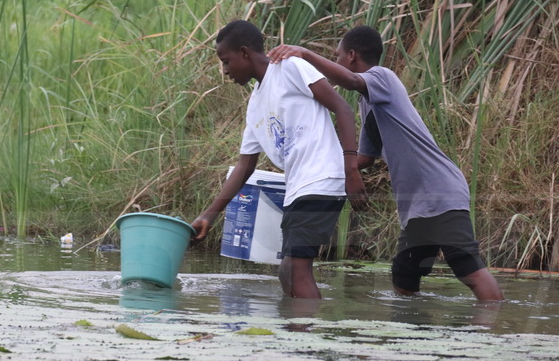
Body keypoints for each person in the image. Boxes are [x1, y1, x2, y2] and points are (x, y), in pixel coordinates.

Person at [268, 25, 504, 301]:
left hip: (439, 191)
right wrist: (325, 165)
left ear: (352, 56)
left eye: (338, 56)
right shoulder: (368, 103)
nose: (336, 62)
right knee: (404, 275)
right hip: (418, 204)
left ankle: (496, 327)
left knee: (467, 268)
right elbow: (366, 156)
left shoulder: (382, 78)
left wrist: (305, 53)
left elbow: (351, 81)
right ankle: (414, 332)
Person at [191, 20, 367, 299]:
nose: (224, 71)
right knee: (287, 273)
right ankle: (298, 335)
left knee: (296, 272)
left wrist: (351, 169)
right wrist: (209, 215)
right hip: (298, 190)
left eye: (226, 61)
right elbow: (245, 165)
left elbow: (342, 108)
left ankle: (304, 334)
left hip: (321, 180)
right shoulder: (255, 105)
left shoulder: (290, 68)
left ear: (245, 52)